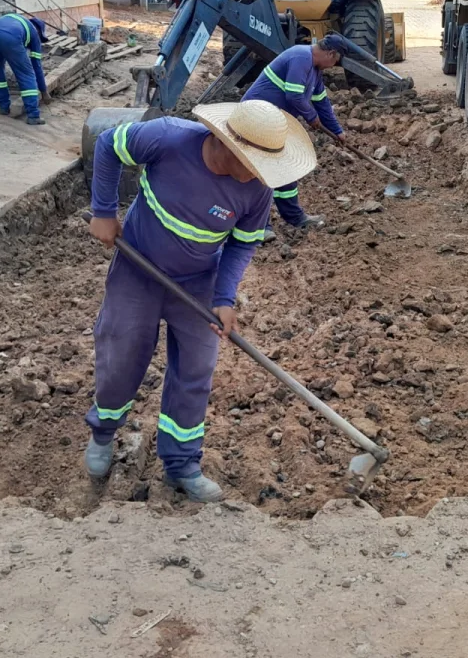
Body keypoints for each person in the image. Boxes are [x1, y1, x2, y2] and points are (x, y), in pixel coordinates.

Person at [83, 100, 316, 502]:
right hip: (138, 269)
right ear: (225, 143)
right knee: (121, 353)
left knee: (196, 368)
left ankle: (181, 463)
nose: (259, 175)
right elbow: (107, 144)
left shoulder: (257, 191)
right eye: (253, 163)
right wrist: (103, 211)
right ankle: (103, 433)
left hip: (198, 283)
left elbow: (241, 248)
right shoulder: (167, 138)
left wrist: (225, 298)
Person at [242, 33, 348, 230]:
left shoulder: (315, 72)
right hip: (256, 118)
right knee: (262, 172)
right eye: (336, 61)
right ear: (331, 54)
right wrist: (311, 117)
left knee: (285, 169)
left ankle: (295, 218)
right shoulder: (300, 57)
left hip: (276, 124)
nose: (333, 66)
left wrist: (337, 131)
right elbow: (294, 96)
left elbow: (322, 103)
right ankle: (258, 226)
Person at [0, 13, 49, 125]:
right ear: (39, 31)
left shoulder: (17, 19)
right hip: (10, 36)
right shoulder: (34, 34)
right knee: (26, 74)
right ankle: (33, 115)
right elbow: (36, 66)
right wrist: (44, 91)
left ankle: (3, 107)